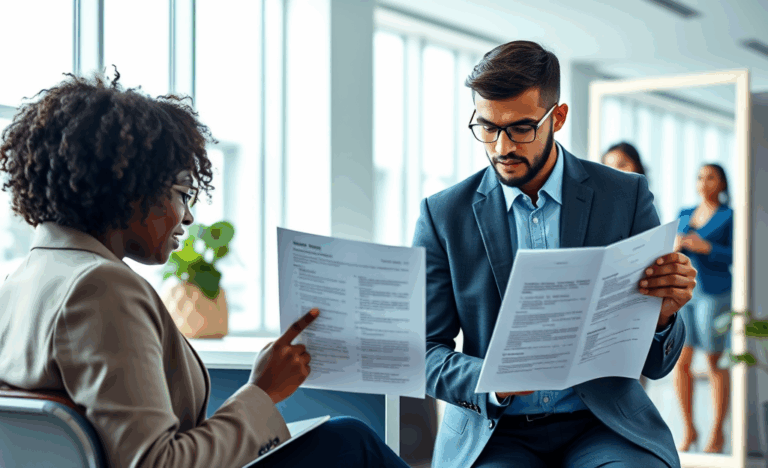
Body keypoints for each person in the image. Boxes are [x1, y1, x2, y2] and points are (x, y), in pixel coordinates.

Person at [0, 73, 409, 468]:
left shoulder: (20, 282)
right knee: (350, 441)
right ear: (128, 188)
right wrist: (261, 391)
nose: (189, 216)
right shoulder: (100, 289)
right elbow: (156, 464)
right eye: (181, 194)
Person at [414, 40, 697, 468]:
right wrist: (491, 382)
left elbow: (657, 365)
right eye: (487, 127)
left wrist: (663, 316)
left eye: (521, 128)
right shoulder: (443, 214)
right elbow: (424, 350)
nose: (501, 147)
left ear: (557, 117)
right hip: (495, 432)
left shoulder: (624, 196)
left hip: (602, 423)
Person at [673, 163, 733, 454]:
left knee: (713, 361)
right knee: (681, 361)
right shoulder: (684, 214)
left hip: (714, 293)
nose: (704, 182)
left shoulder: (728, 216)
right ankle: (689, 429)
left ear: (722, 184)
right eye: (700, 177)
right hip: (685, 292)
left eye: (711, 177)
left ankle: (718, 433)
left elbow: (737, 253)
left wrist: (706, 248)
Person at [602, 142, 651, 391]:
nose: (615, 171)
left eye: (622, 164)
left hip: (635, 300)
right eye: (608, 166)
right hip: (603, 305)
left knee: (633, 383)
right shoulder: (596, 209)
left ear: (637, 167)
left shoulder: (643, 206)